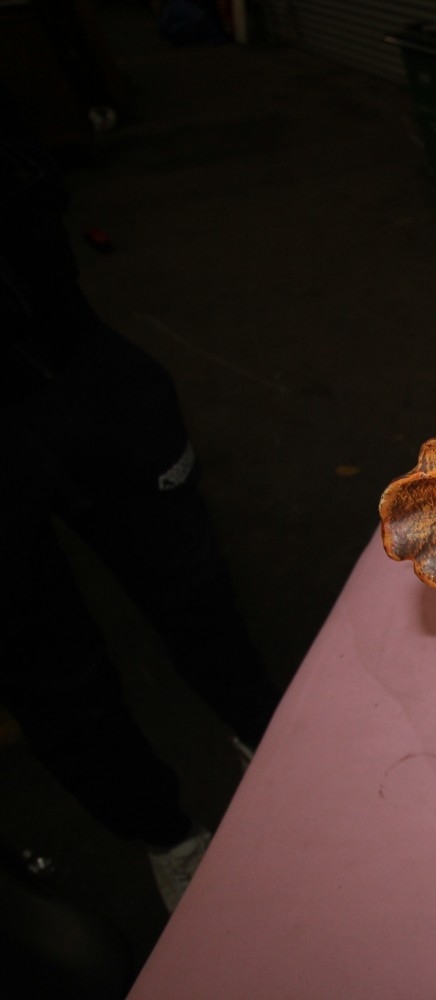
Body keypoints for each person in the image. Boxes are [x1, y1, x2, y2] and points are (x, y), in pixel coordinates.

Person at [1, 104, 280, 913]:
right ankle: (168, 838)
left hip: (75, 368)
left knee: (196, 594)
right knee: (46, 672)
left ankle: (272, 745)